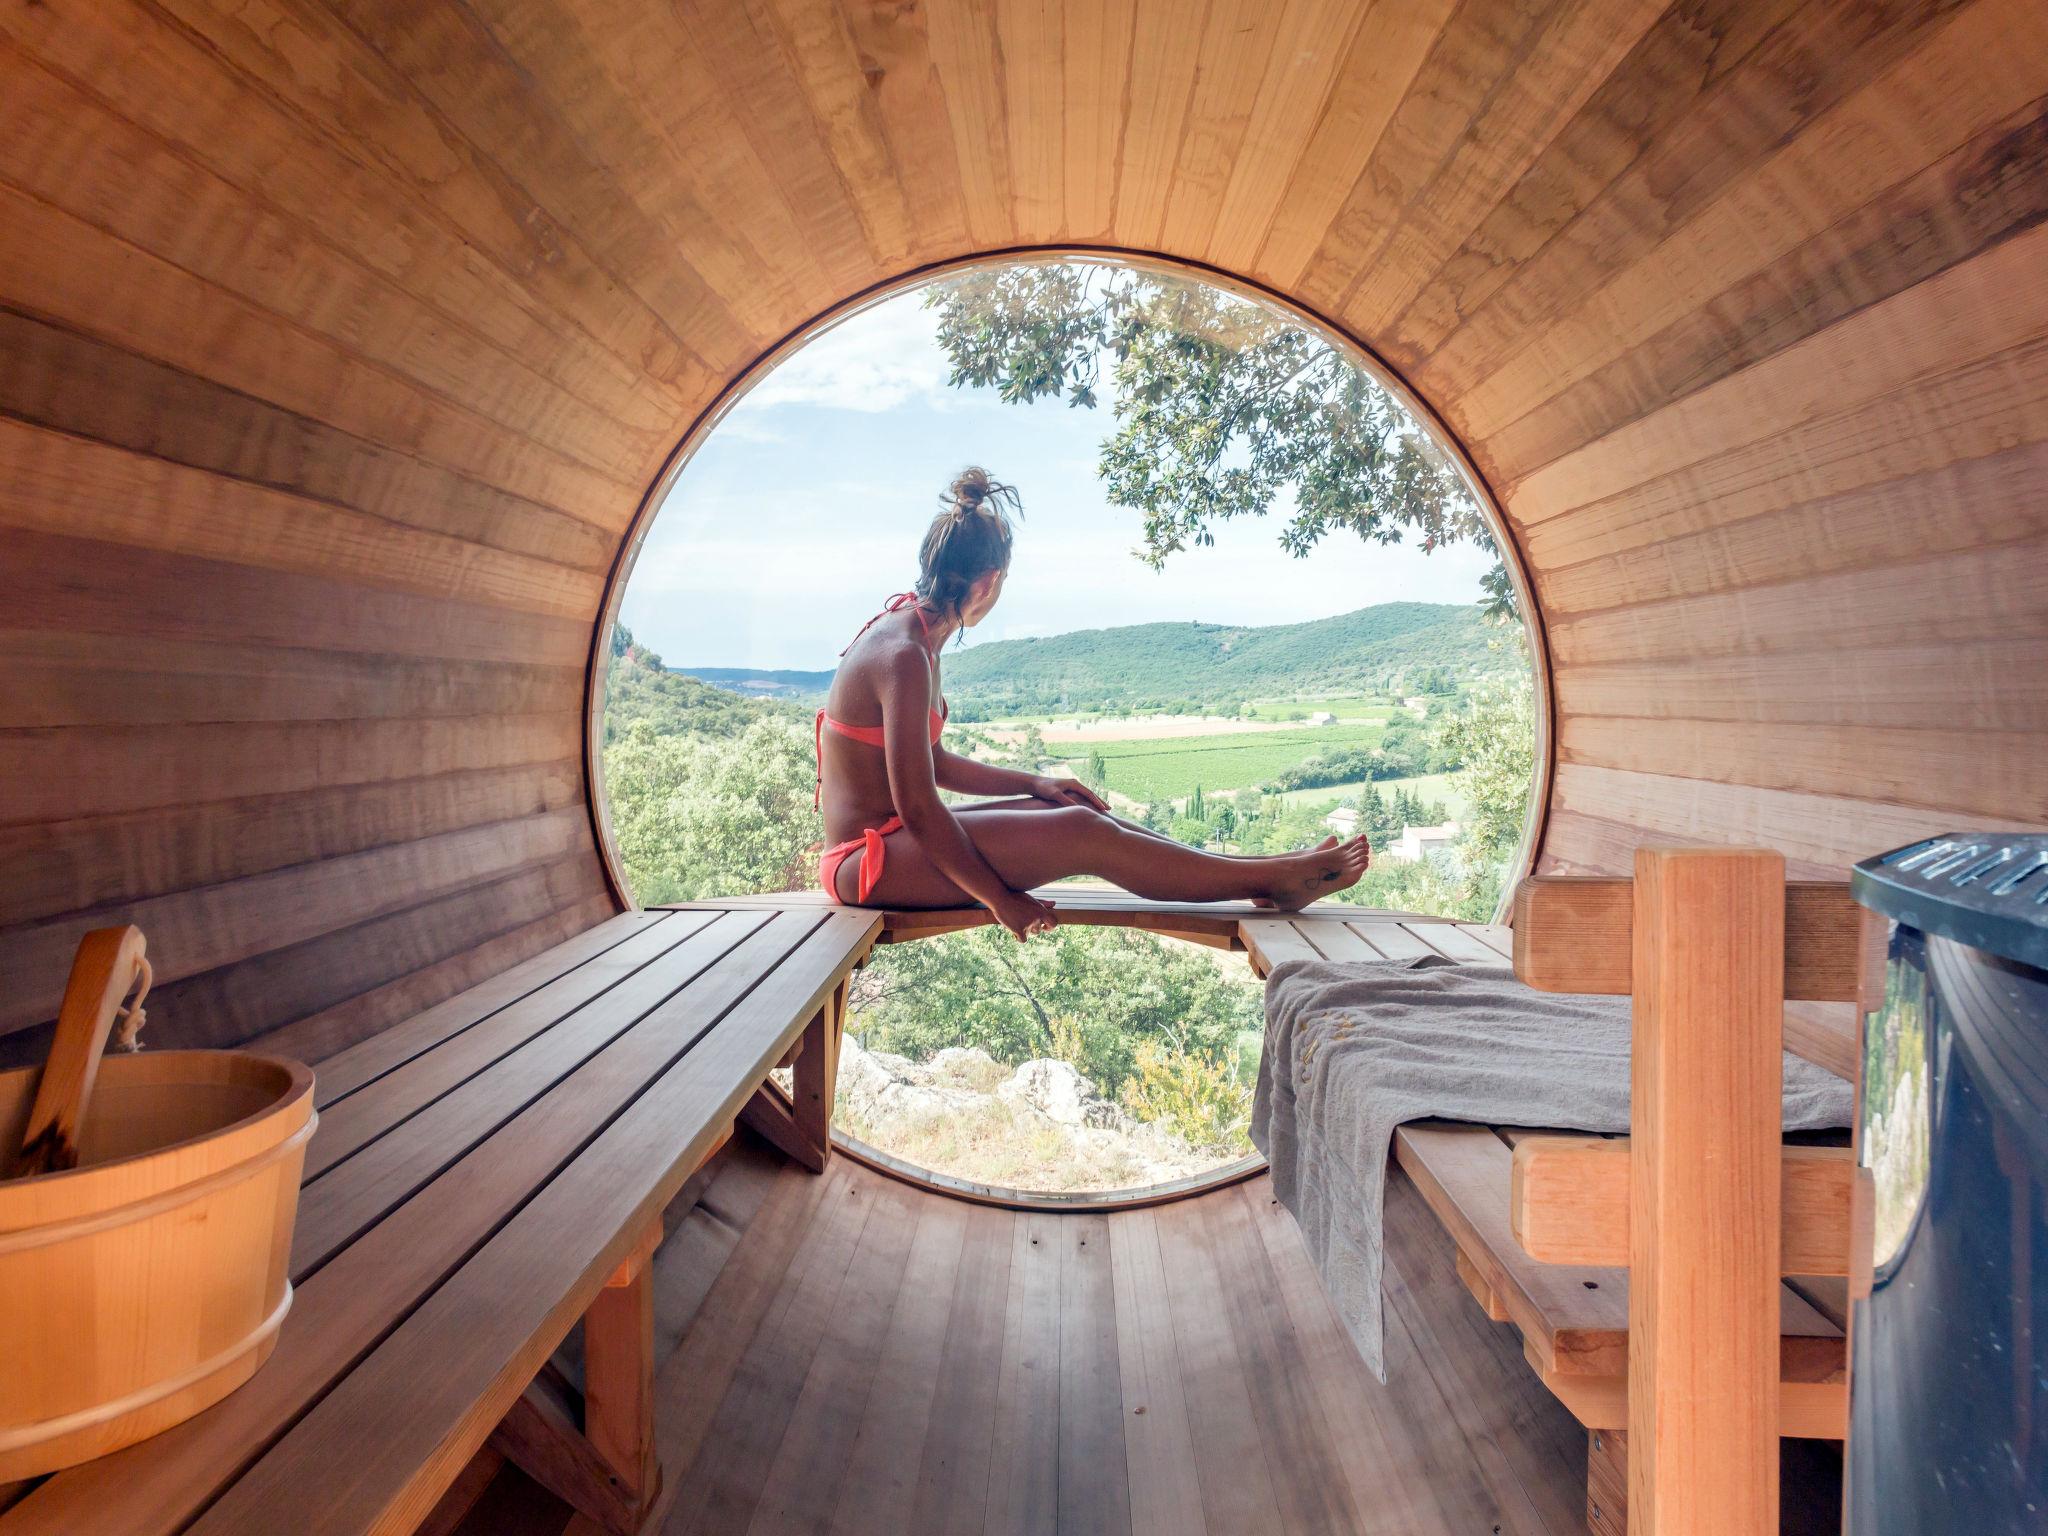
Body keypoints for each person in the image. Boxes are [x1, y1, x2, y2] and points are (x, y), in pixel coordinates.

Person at [815, 468, 1372, 940]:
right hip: (864, 864)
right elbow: (919, 805)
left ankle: (1269, 873)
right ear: (988, 582)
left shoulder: (917, 637)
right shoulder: (905, 654)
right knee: (1082, 834)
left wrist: (1035, 785)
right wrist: (998, 900)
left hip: (895, 844)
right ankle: (1273, 878)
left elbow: (931, 764)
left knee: (1073, 812)